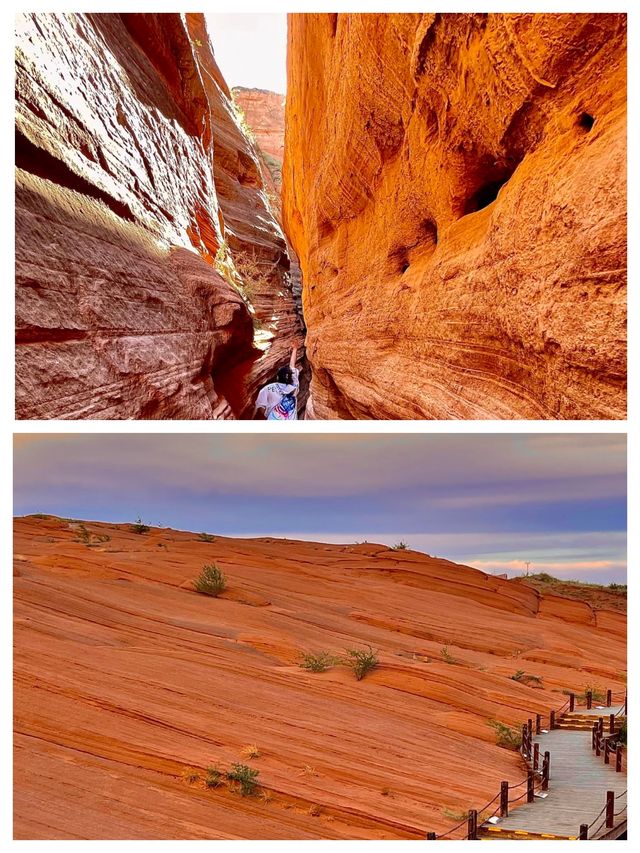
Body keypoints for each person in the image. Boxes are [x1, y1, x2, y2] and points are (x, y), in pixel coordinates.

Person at [254, 346, 300, 420]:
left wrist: (268, 414)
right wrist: (295, 348)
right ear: (291, 377)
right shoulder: (294, 386)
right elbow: (292, 366)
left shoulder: (267, 388)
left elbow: (260, 407)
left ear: (277, 377)